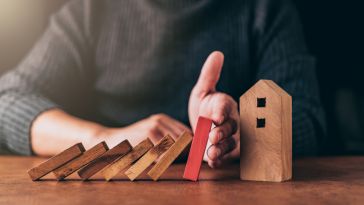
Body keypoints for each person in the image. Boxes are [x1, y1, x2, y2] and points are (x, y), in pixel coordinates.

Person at [0, 0, 325, 168]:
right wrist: (105, 139)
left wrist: (244, 132)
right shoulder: (93, 10)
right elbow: (8, 101)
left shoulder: (264, 9)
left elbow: (308, 117)